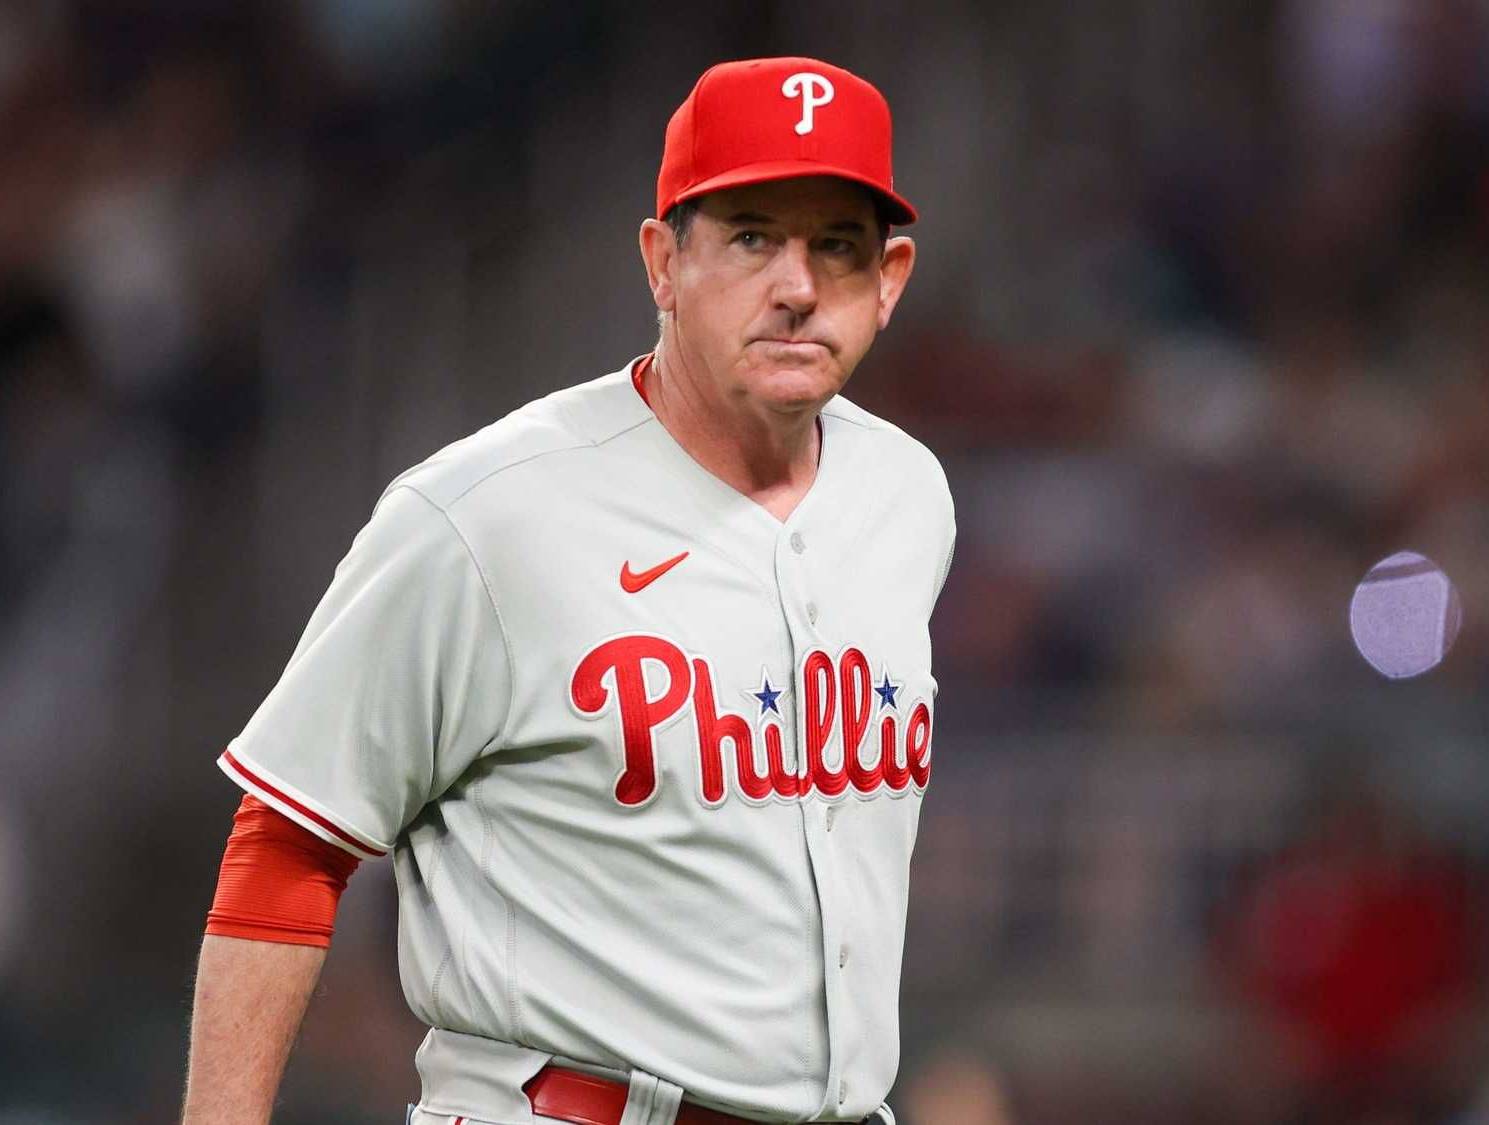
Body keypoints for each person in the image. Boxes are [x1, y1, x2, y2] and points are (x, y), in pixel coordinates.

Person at [181, 56, 951, 1125]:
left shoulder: (907, 495)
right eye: (749, 237)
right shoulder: (486, 514)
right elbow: (286, 848)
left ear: (889, 278)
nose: (796, 285)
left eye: (837, 245)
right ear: (662, 263)